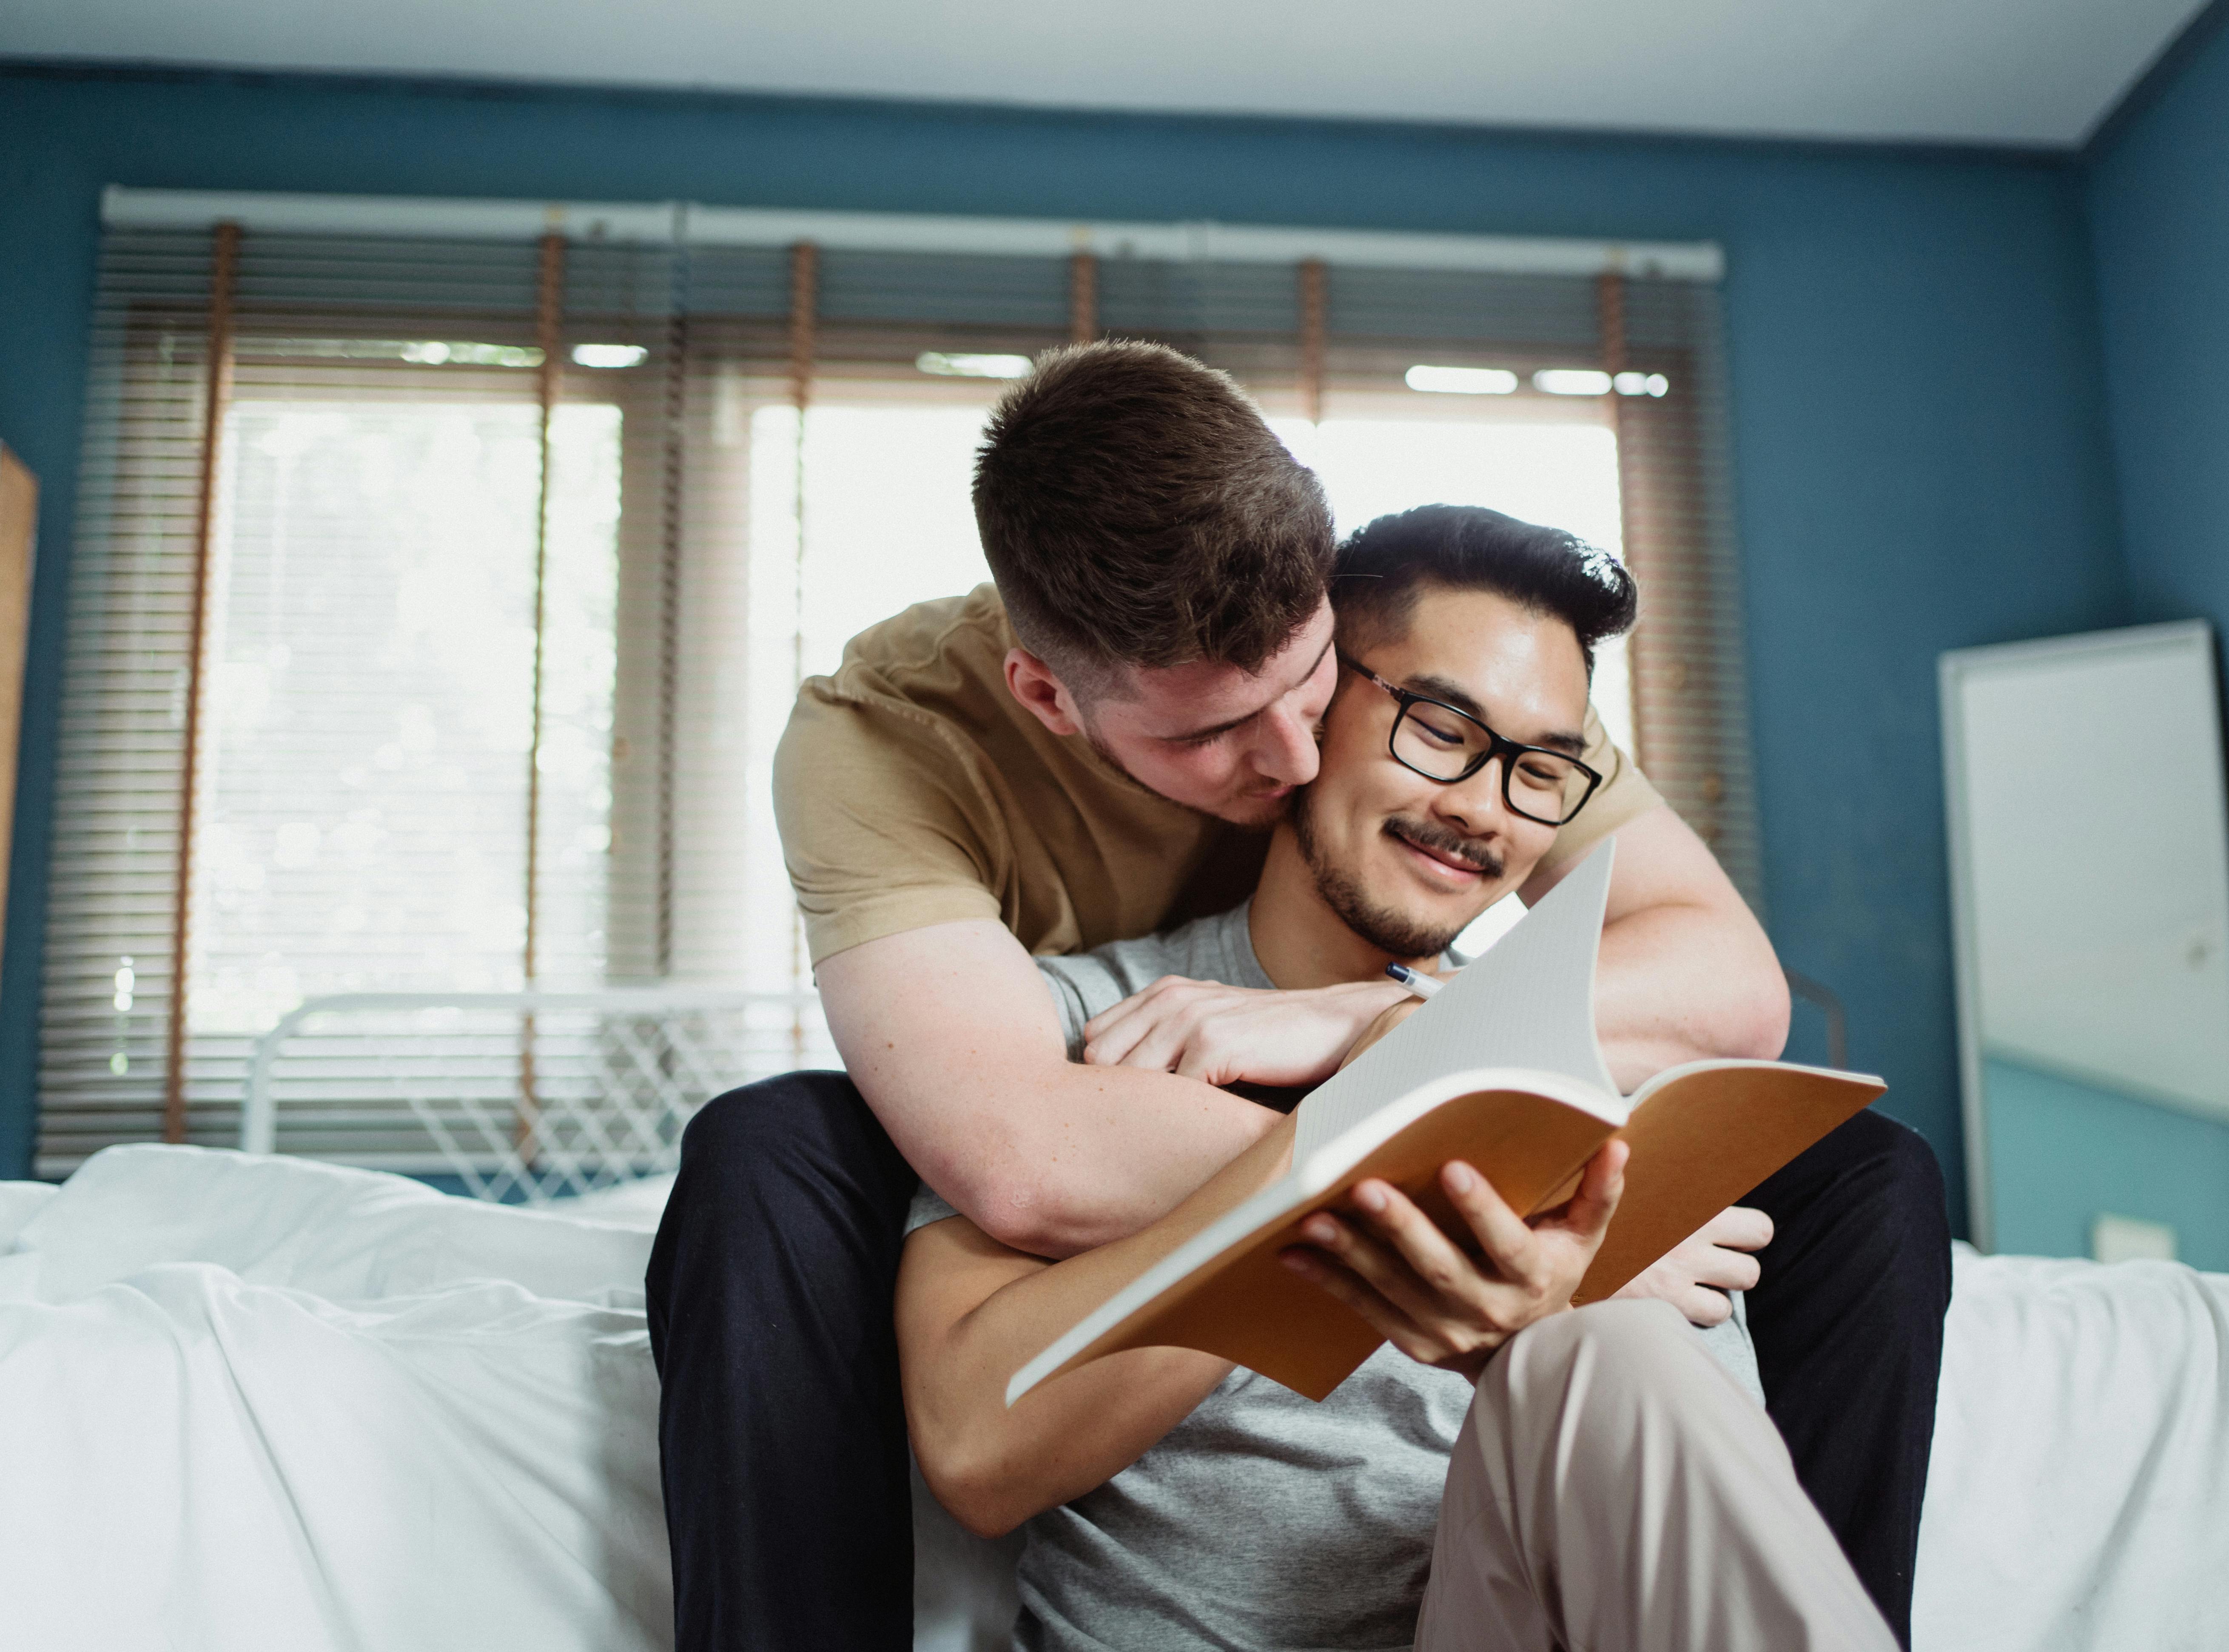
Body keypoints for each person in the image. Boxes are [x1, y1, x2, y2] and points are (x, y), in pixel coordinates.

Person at [645, 345, 1949, 1651]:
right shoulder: (904, 765)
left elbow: (1730, 982)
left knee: (1801, 1216)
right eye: (1211, 732)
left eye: (1310, 684)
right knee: (771, 1148)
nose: (1286, 754)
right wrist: (1484, 1187)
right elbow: (1017, 1163)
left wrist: (1404, 1063)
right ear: (1048, 696)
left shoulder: (1450, 717)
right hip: (1111, 1090)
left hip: (1484, 1577)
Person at [897, 506, 1893, 1650]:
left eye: (1543, 771)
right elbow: (976, 1450)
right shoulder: (1076, 1028)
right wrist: (1366, 1124)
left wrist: (1425, 1073)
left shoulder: (1593, 1054)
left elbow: (1688, 1517)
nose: (1481, 808)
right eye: (1439, 728)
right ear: (1312, 710)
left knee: (1608, 1355)